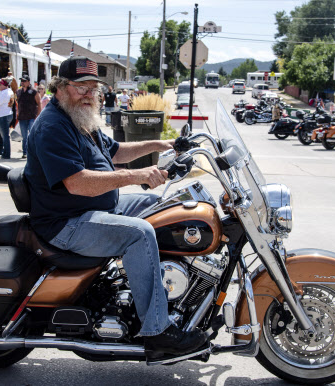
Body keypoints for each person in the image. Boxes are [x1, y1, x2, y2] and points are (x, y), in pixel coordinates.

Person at [24, 56, 207, 357]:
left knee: (162, 206)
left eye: (93, 88)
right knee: (140, 233)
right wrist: (136, 176)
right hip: (66, 223)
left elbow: (117, 151)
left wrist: (159, 145)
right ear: (59, 87)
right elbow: (77, 183)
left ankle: (171, 292)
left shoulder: (79, 118)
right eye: (80, 86)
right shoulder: (52, 126)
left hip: (96, 209)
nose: (88, 93)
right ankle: (158, 331)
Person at [16, 76, 41, 159]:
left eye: (24, 81)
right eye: (21, 81)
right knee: (24, 136)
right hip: (22, 117)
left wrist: (38, 116)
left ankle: (34, 152)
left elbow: (39, 103)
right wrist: (17, 112)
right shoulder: (19, 91)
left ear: (28, 82)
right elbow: (18, 103)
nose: (22, 82)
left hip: (32, 116)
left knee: (32, 135)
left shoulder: (33, 91)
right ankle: (25, 152)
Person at [0, 79, 14, 159]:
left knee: (4, 136)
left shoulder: (5, 92)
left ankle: (6, 153)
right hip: (3, 115)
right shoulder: (8, 91)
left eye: (0, 84)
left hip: (3, 115)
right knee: (0, 135)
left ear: (4, 85)